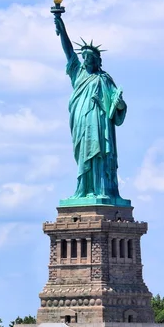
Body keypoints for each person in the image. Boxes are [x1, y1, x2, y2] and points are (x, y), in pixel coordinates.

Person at [54, 13, 129, 205]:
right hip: (81, 121)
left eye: (90, 58)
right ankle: (83, 190)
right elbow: (68, 50)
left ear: (96, 60)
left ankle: (102, 189)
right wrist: (61, 25)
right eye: (84, 57)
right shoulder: (77, 73)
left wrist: (119, 103)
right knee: (83, 155)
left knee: (100, 154)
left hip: (99, 122)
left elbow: (119, 106)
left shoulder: (104, 79)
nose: (86, 60)